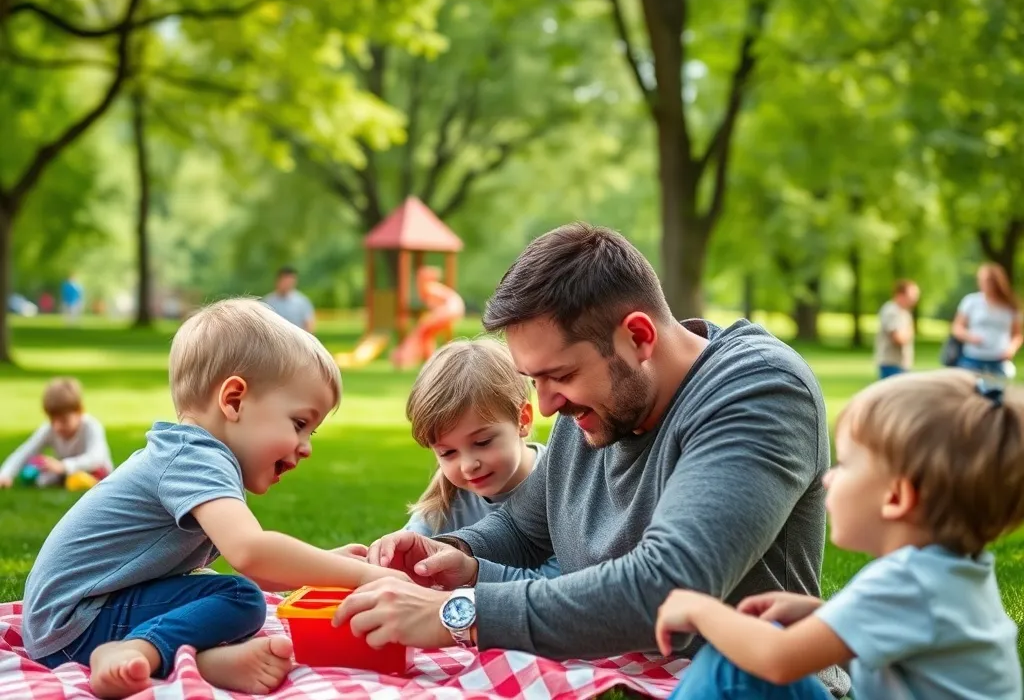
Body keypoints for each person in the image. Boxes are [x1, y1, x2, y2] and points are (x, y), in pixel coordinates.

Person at [334, 223, 850, 697]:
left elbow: (665, 585)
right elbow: (524, 528)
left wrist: (460, 612)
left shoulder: (759, 391)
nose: (547, 404)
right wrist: (449, 556)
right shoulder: (598, 401)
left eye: (558, 375)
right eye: (534, 379)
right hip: (622, 671)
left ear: (638, 337)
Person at [22, 298, 407, 699]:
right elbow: (251, 553)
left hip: (69, 619)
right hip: (74, 624)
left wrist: (328, 565)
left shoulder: (192, 454)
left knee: (223, 590)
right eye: (299, 423)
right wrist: (365, 576)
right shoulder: (195, 457)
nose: (306, 446)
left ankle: (199, 662)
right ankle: (134, 650)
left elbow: (260, 566)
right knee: (239, 597)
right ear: (234, 400)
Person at [655, 369, 1023, 700]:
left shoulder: (907, 581)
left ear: (895, 497)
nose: (829, 477)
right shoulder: (950, 572)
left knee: (731, 665)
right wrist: (824, 614)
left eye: (846, 464)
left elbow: (776, 660)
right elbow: (900, 631)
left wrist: (702, 609)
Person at [399, 338, 560, 581]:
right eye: (447, 453)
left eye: (482, 442)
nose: (468, 465)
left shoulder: (561, 482)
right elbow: (409, 559)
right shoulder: (446, 497)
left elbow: (559, 582)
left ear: (523, 420)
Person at [0, 377, 113, 489]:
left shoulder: (91, 426)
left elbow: (96, 458)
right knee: (44, 476)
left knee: (83, 477)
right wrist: (5, 474)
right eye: (52, 420)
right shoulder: (49, 429)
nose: (57, 426)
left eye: (64, 420)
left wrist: (64, 466)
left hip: (97, 473)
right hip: (66, 473)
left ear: (79, 410)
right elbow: (25, 451)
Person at [952, 262, 1022, 378]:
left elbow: (1017, 334)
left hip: (998, 360)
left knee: (995, 394)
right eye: (981, 280)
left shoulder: (1010, 306)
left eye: (988, 281)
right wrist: (969, 337)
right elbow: (957, 327)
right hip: (973, 358)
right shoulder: (971, 301)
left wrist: (1011, 349)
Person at [874, 279, 919, 379]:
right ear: (901, 294)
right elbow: (898, 338)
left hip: (901, 364)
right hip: (891, 364)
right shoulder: (892, 311)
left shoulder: (904, 312)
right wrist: (910, 331)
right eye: (912, 294)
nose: (915, 298)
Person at [262, 266, 315, 332]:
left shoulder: (302, 302)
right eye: (285, 280)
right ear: (278, 280)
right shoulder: (267, 301)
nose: (288, 284)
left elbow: (309, 326)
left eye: (291, 281)